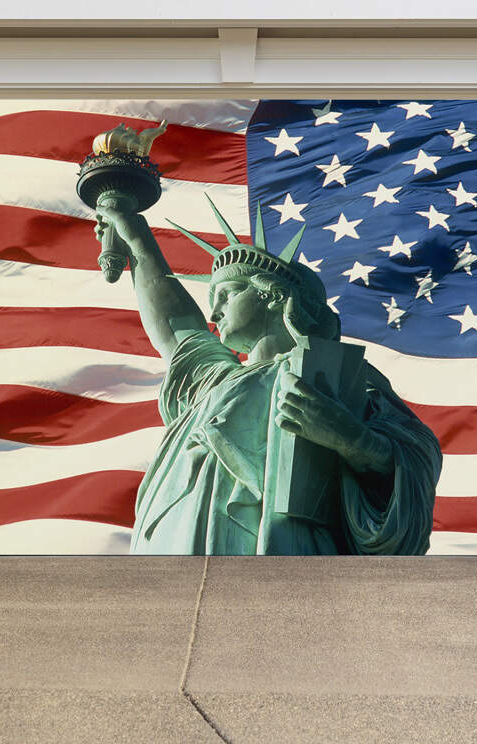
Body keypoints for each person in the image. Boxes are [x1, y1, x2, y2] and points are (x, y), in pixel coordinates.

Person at [95, 198, 442, 555]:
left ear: (273, 295)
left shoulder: (332, 376)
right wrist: (135, 236)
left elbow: (418, 455)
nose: (213, 313)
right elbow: (179, 329)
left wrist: (349, 437)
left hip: (283, 555)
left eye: (227, 294)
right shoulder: (214, 382)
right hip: (177, 552)